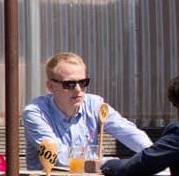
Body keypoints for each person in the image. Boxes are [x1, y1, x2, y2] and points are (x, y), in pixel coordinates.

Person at [21, 52, 151, 166]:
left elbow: (128, 132)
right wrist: (106, 163)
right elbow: (57, 157)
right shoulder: (36, 113)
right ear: (50, 86)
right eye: (69, 84)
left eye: (83, 83)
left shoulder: (94, 105)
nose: (78, 89)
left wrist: (154, 156)